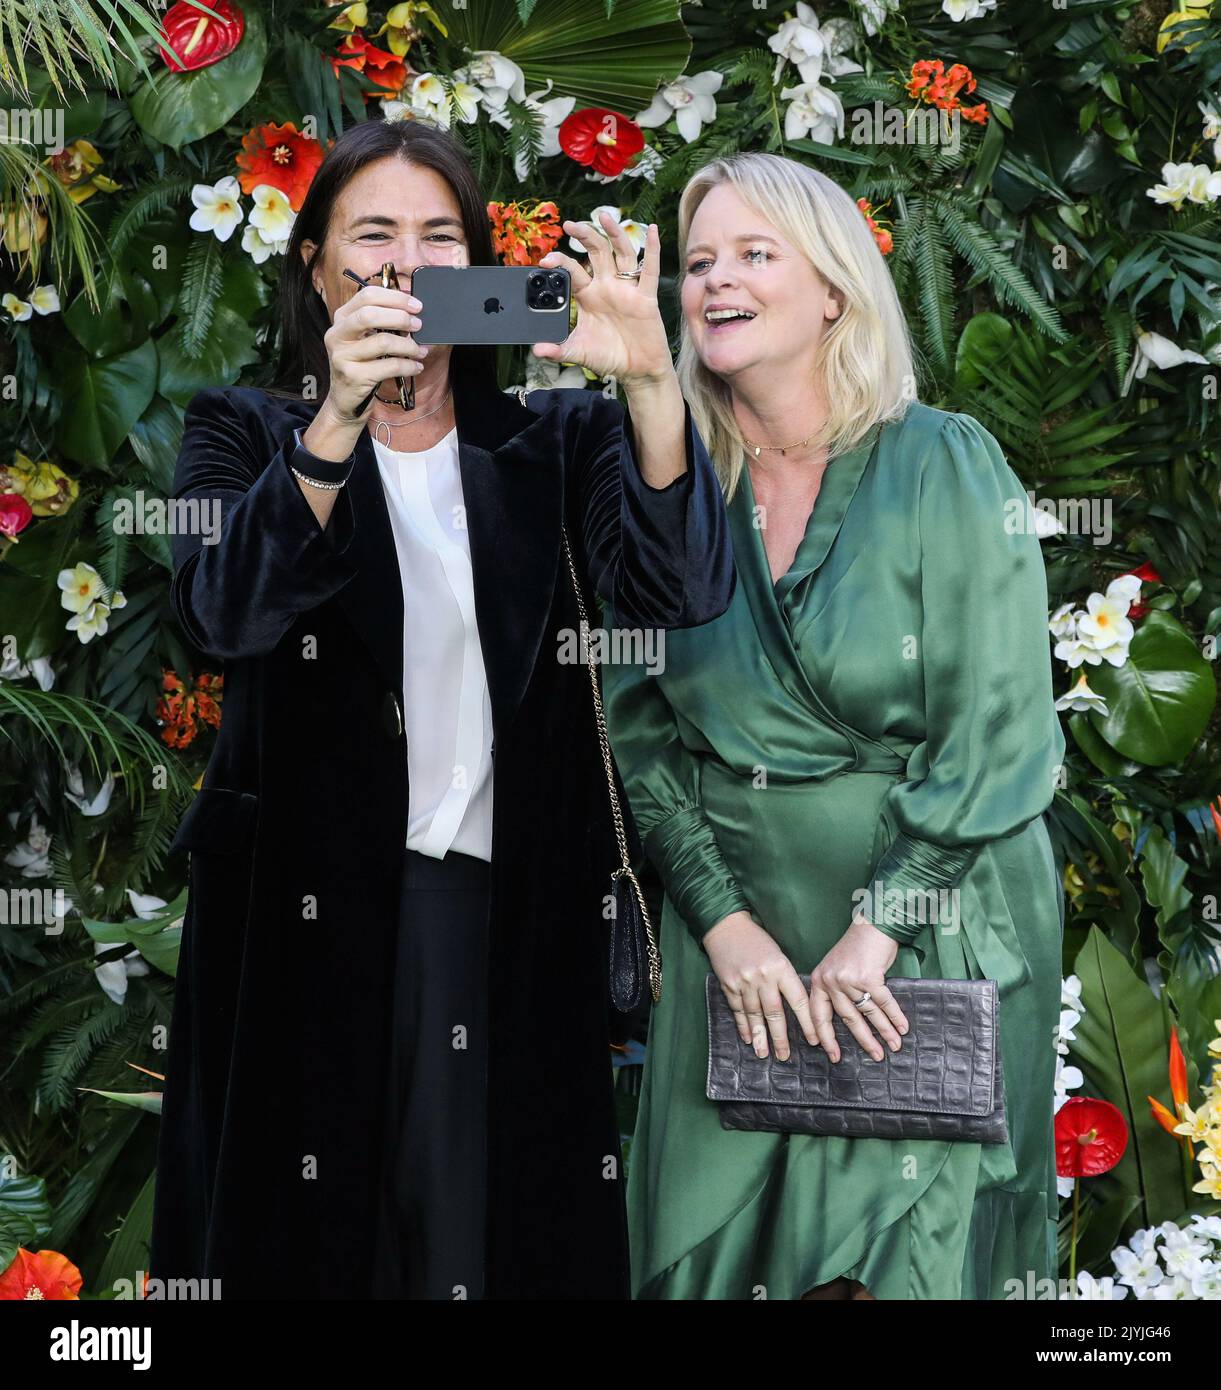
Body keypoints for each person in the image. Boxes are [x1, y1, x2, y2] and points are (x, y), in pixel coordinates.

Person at [147, 118, 735, 1301]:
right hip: (297, 929)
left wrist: (650, 379)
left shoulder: (553, 439)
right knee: (309, 1250)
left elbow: (680, 589)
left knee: (486, 1242)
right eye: (371, 238)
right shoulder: (244, 431)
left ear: (475, 264)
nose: (404, 266)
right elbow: (218, 615)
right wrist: (333, 426)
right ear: (315, 264)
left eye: (437, 236)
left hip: (501, 916)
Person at [600, 151, 1066, 1300]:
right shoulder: (664, 490)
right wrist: (722, 923)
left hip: (926, 939)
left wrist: (879, 930)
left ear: (835, 291)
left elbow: (998, 727)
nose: (716, 279)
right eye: (700, 261)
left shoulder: (942, 461)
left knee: (904, 1269)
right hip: (737, 959)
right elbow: (637, 733)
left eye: (756, 253)